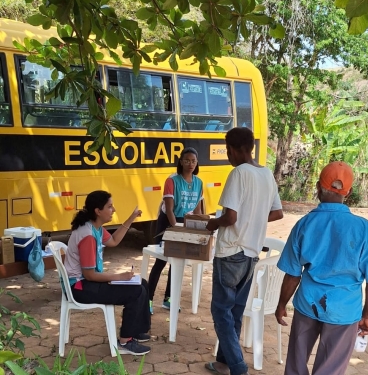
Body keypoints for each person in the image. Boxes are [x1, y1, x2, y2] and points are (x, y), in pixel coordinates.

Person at [275, 161, 368, 375]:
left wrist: (281, 304)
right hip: (344, 310)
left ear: (317, 187)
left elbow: (293, 274)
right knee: (330, 370)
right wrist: (367, 314)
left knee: (295, 364)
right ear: (348, 192)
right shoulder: (365, 230)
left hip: (308, 305)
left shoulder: (305, 224)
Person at [204, 127, 283, 375]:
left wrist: (213, 223)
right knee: (235, 311)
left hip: (231, 251)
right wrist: (254, 218)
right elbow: (277, 212)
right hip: (251, 254)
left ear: (237, 150)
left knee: (220, 310)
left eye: (228, 150)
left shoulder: (239, 173)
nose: (228, 156)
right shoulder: (267, 174)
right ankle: (223, 362)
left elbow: (230, 217)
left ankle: (238, 368)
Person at [64, 190, 151, 355]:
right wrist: (119, 277)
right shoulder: (88, 235)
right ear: (98, 211)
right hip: (80, 288)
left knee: (142, 283)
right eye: (110, 207)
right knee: (136, 291)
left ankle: (136, 330)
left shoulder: (95, 227)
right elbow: (89, 275)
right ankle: (126, 341)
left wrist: (131, 218)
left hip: (88, 283)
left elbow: (114, 241)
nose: (114, 210)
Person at [148, 147, 203, 314]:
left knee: (178, 262)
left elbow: (198, 212)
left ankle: (168, 299)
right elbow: (170, 210)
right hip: (168, 222)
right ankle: (148, 299)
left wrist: (199, 230)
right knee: (162, 260)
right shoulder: (172, 181)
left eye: (193, 161)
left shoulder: (198, 182)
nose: (190, 164)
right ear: (181, 161)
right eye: (186, 160)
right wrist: (176, 229)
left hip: (184, 223)